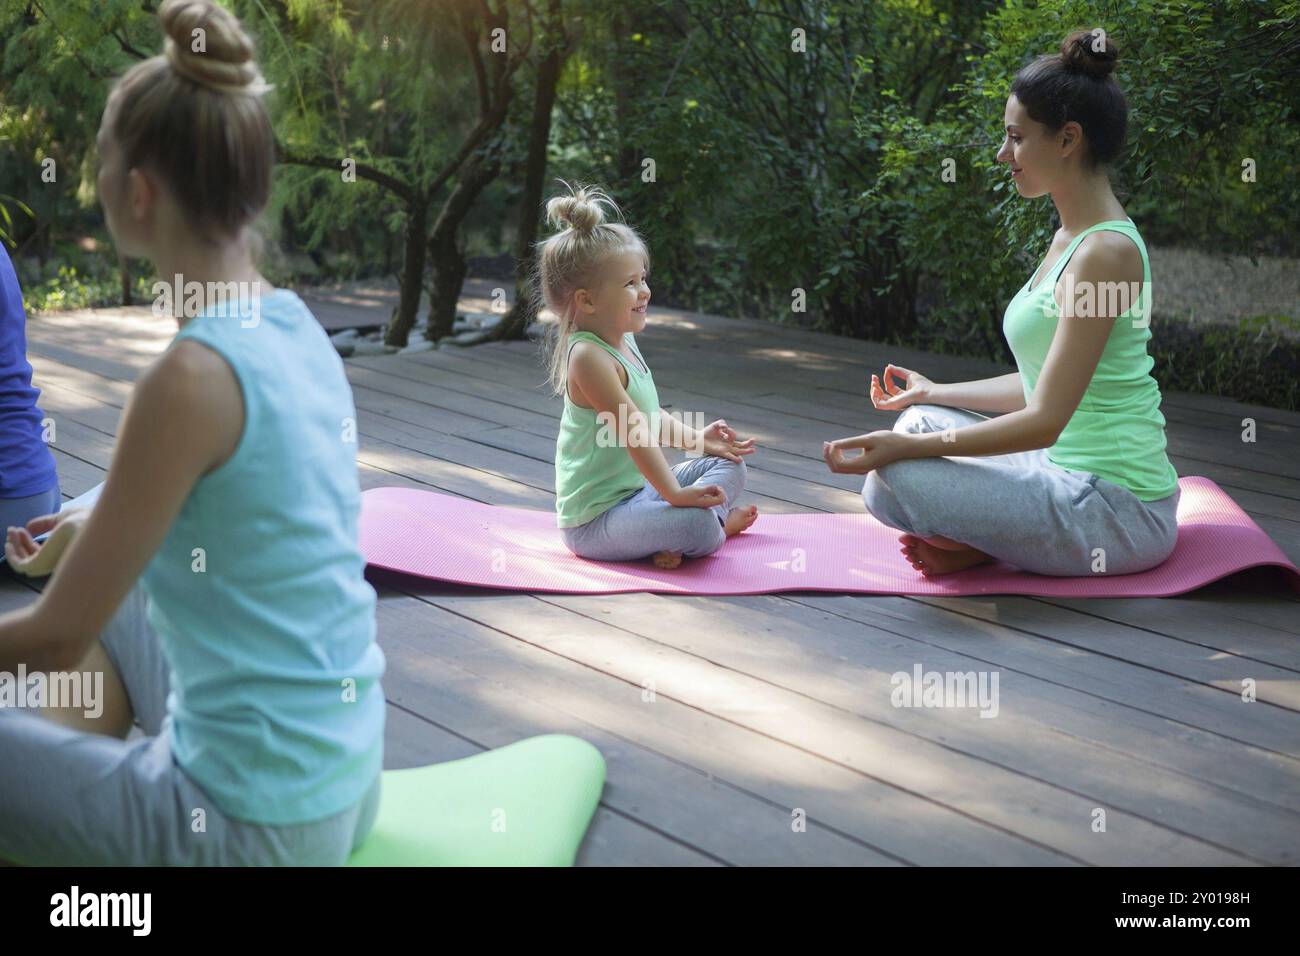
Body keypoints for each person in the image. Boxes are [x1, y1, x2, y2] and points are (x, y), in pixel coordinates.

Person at [825, 30, 1179, 578]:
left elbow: (1044, 420)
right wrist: (935, 391)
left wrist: (904, 455)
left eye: (1015, 138)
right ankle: (992, 543)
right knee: (917, 422)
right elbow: (1042, 381)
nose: (1002, 154)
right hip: (1059, 469)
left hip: (1117, 509)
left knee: (899, 475)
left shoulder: (1106, 253)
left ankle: (990, 544)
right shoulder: (1071, 237)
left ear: (1068, 140)